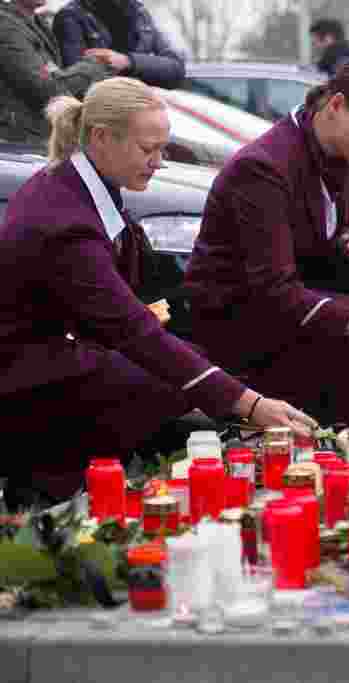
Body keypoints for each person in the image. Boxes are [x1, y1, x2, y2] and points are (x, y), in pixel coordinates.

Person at [0, 77, 314, 509]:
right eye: (148, 150)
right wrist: (249, 403)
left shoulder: (74, 186)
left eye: (161, 149)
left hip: (44, 356)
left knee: (186, 363)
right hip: (21, 380)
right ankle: (60, 491)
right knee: (161, 381)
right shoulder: (65, 222)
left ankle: (96, 484)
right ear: (101, 138)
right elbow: (133, 332)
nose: (159, 163)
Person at [184, 59, 349, 429]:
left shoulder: (335, 147)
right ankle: (319, 435)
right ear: (336, 106)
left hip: (290, 289)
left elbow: (319, 229)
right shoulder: (263, 168)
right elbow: (272, 288)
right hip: (233, 315)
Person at [0, 0, 113, 145]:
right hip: (16, 140)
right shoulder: (6, 26)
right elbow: (45, 89)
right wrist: (93, 66)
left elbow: (53, 77)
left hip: (34, 135)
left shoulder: (36, 22)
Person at [53, 0, 185, 90]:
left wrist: (128, 61)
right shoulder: (70, 16)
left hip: (141, 111)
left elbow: (176, 70)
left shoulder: (139, 12)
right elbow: (76, 84)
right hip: (104, 118)